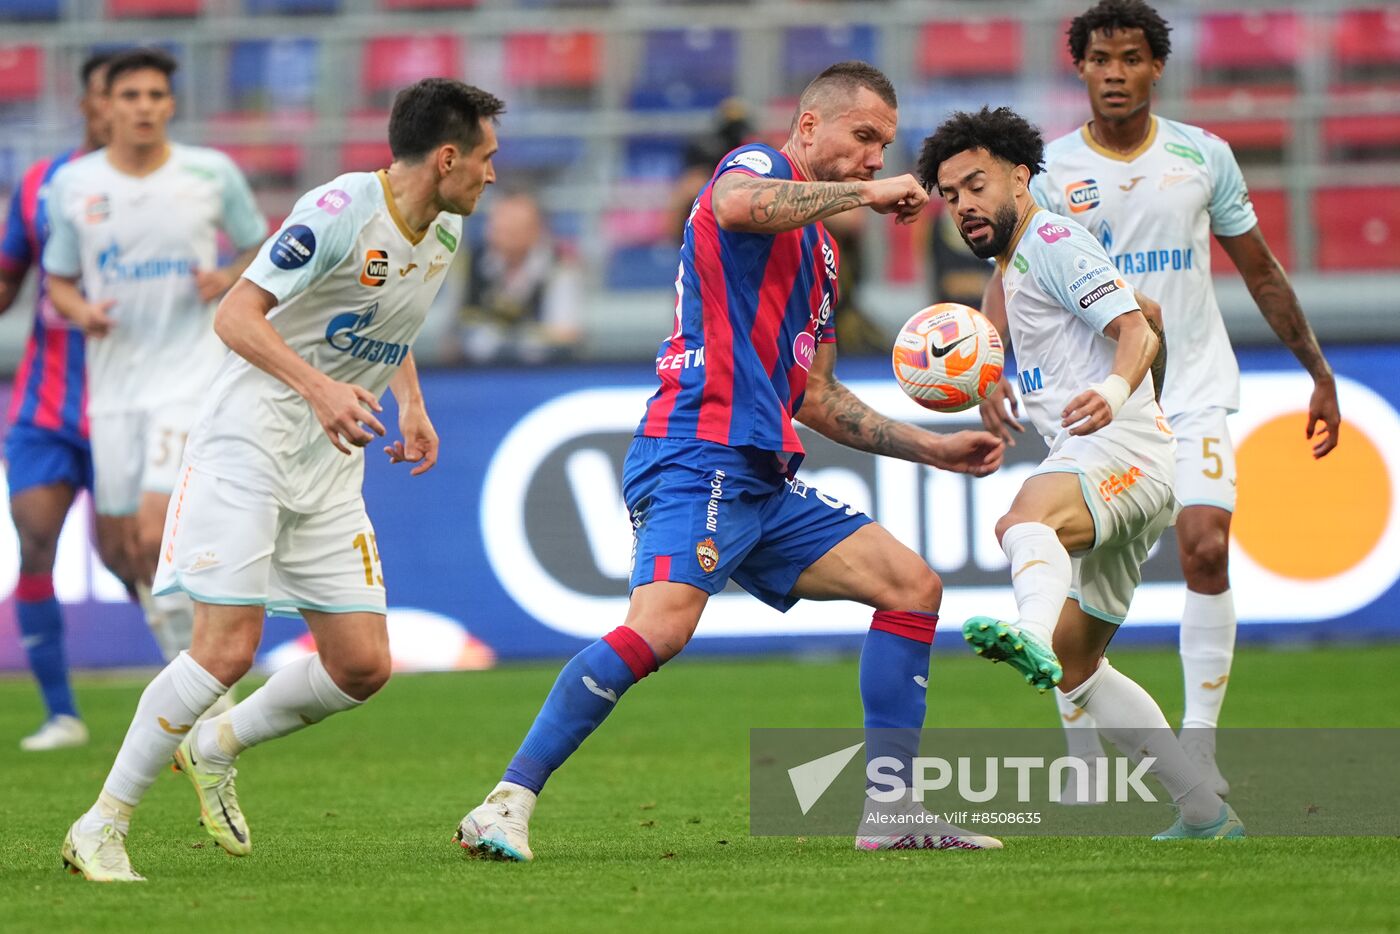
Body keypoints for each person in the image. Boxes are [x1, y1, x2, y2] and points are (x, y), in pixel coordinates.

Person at [455, 61, 1006, 863]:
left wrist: (932, 447)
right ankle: (504, 803)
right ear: (810, 126)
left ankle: (892, 811)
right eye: (862, 139)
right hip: (694, 450)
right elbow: (737, 207)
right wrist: (868, 193)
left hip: (760, 473)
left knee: (911, 585)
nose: (872, 158)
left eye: (884, 147)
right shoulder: (757, 167)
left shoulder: (818, 258)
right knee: (661, 629)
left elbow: (815, 397)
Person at [59, 77, 504, 883]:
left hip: (329, 464)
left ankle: (217, 744)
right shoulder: (337, 212)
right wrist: (321, 388)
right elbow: (235, 315)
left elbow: (383, 325)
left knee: (364, 666)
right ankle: (101, 823)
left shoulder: (440, 235)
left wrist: (412, 404)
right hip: (249, 444)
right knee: (225, 650)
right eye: (486, 157)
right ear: (447, 157)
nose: (492, 174)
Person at [982, 0, 1340, 797]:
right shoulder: (1050, 170)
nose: (1115, 73)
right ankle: (1083, 757)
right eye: (1100, 58)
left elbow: (1261, 270)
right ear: (1078, 66)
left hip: (1193, 387)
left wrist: (1317, 371)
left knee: (1205, 547)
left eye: (1131, 58)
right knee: (1071, 568)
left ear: (1156, 66)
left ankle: (1201, 749)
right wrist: (987, 371)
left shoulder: (1203, 155)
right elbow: (1011, 270)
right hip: (1095, 401)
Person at [918, 105, 1245, 839]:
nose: (964, 205)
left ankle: (1026, 626)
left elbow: (1137, 328)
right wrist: (991, 355)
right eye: (950, 195)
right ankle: (1203, 810)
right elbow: (1144, 305)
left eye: (976, 185)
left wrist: (1116, 387)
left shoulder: (1054, 239)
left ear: (1021, 176)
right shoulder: (1021, 255)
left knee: (1021, 520)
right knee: (1078, 666)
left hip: (1120, 452)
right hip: (1115, 465)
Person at [42, 48, 269, 668]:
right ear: (105, 108)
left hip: (190, 379)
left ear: (170, 105)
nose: (143, 107)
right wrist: (80, 310)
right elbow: (57, 277)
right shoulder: (73, 185)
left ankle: (199, 681)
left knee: (153, 529)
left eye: (154, 96)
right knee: (120, 548)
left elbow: (263, 247)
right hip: (114, 390)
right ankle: (187, 664)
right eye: (130, 96)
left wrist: (226, 275)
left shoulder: (209, 173)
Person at [1, 53, 119, 751]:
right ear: (87, 104)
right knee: (36, 540)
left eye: (143, 96)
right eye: (112, 96)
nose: (127, 110)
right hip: (46, 407)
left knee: (136, 556)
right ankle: (61, 713)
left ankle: (192, 697)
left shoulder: (181, 187)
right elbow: (8, 278)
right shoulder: (41, 185)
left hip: (135, 403)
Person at [455, 190, 583, 364]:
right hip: (477, 375)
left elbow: (566, 334)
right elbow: (451, 332)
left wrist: (513, 341)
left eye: (513, 227)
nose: (501, 233)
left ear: (536, 230)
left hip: (539, 374)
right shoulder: (471, 264)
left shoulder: (560, 268)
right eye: (497, 226)